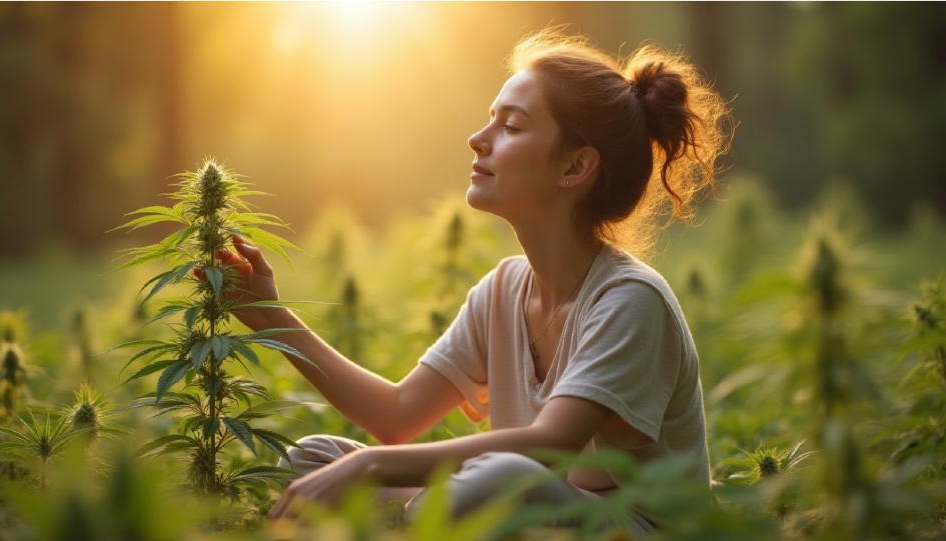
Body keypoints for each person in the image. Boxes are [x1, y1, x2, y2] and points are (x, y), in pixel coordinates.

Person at [214, 26, 731, 535]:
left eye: (511, 125)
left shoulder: (630, 301)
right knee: (317, 459)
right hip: (523, 505)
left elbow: (548, 447)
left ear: (575, 166)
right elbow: (396, 416)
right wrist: (270, 316)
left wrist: (371, 466)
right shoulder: (502, 290)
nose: (477, 139)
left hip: (628, 528)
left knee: (498, 479)